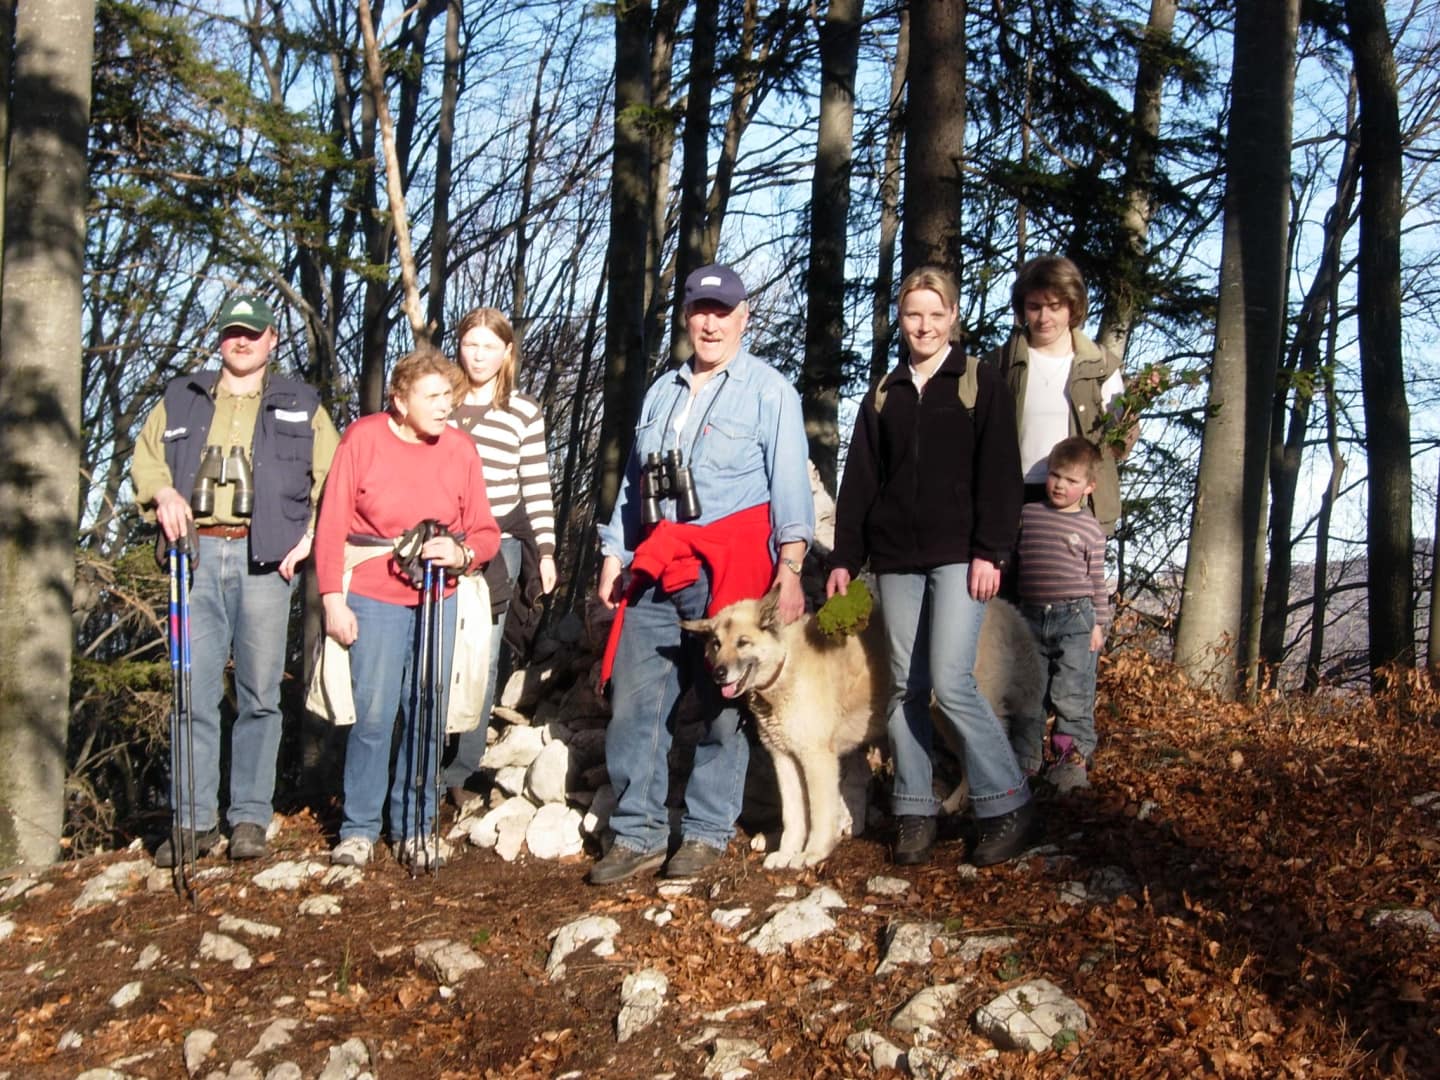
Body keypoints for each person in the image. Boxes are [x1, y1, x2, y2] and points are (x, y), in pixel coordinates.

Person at [589, 263, 814, 885]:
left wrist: (790, 568)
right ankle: (636, 832)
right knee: (636, 701)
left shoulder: (770, 391)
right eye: (700, 312)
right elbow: (634, 482)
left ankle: (707, 830)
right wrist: (614, 554)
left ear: (743, 317)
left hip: (730, 568)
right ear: (686, 317)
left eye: (723, 312)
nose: (711, 324)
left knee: (723, 703)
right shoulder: (661, 392)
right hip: (657, 560)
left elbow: (790, 488)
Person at [827, 265, 1033, 868]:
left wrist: (992, 551)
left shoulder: (978, 381)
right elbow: (860, 481)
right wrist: (845, 559)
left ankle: (1008, 801)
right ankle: (914, 809)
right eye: (914, 314)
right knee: (905, 688)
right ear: (900, 319)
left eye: (936, 314)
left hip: (961, 557)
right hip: (895, 561)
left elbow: (1000, 472)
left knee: (951, 681)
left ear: (953, 317)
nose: (924, 325)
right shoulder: (885, 392)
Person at [133, 292, 340, 866]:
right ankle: (192, 822)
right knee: (191, 693)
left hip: (266, 563)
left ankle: (249, 817)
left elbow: (335, 477)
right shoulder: (182, 397)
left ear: (272, 338)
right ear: (220, 339)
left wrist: (311, 538)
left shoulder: (301, 402)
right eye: (232, 332)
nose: (241, 341)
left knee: (260, 696)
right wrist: (164, 492)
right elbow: (146, 459)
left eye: (253, 332)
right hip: (192, 560)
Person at [314, 347, 500, 870]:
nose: (445, 406)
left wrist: (462, 554)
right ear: (399, 400)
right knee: (374, 714)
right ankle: (359, 829)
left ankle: (416, 824)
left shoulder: (460, 450)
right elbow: (331, 523)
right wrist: (331, 598)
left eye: (448, 396)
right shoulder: (363, 438)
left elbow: (485, 531)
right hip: (373, 594)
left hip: (440, 594)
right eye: (432, 396)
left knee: (428, 709)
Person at [442, 308, 558, 807]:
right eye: (471, 344)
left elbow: (536, 485)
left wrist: (546, 550)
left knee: (482, 660)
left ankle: (461, 770)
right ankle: (419, 765)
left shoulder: (523, 412)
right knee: (432, 658)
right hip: (436, 545)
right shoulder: (440, 401)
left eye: (490, 346)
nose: (479, 356)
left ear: (507, 352)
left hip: (499, 547)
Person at [986, 254, 1134, 536]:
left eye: (1054, 306)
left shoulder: (1101, 367)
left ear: (1072, 306)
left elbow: (1118, 447)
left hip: (1078, 505)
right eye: (1034, 307)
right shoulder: (999, 364)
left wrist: (1129, 423)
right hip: (1010, 500)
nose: (1044, 318)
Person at [1009, 437, 1110, 793]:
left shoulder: (1091, 529)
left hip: (1076, 618)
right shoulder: (1029, 515)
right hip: (1030, 616)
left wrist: (1099, 624)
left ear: (1089, 487)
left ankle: (1070, 760)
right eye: (1055, 475)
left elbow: (1097, 580)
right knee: (1028, 689)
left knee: (1071, 690)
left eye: (1071, 480)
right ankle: (1024, 760)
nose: (1060, 485)